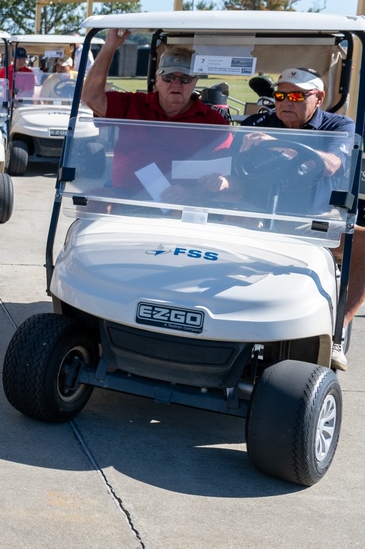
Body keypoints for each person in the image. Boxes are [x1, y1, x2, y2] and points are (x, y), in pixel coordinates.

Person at [240, 67, 360, 370]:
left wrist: (280, 145)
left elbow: (332, 163)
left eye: (295, 95)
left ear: (317, 98)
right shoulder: (257, 122)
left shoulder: (337, 125)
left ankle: (337, 328)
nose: (285, 102)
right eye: (280, 95)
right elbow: (236, 173)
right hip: (255, 213)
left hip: (312, 218)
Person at [83, 31, 230, 197]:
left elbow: (225, 174)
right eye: (168, 77)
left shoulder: (211, 121)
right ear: (157, 79)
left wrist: (191, 194)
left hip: (182, 202)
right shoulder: (133, 103)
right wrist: (110, 46)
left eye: (185, 79)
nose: (176, 84)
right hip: (126, 196)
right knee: (92, 201)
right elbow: (91, 98)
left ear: (195, 81)